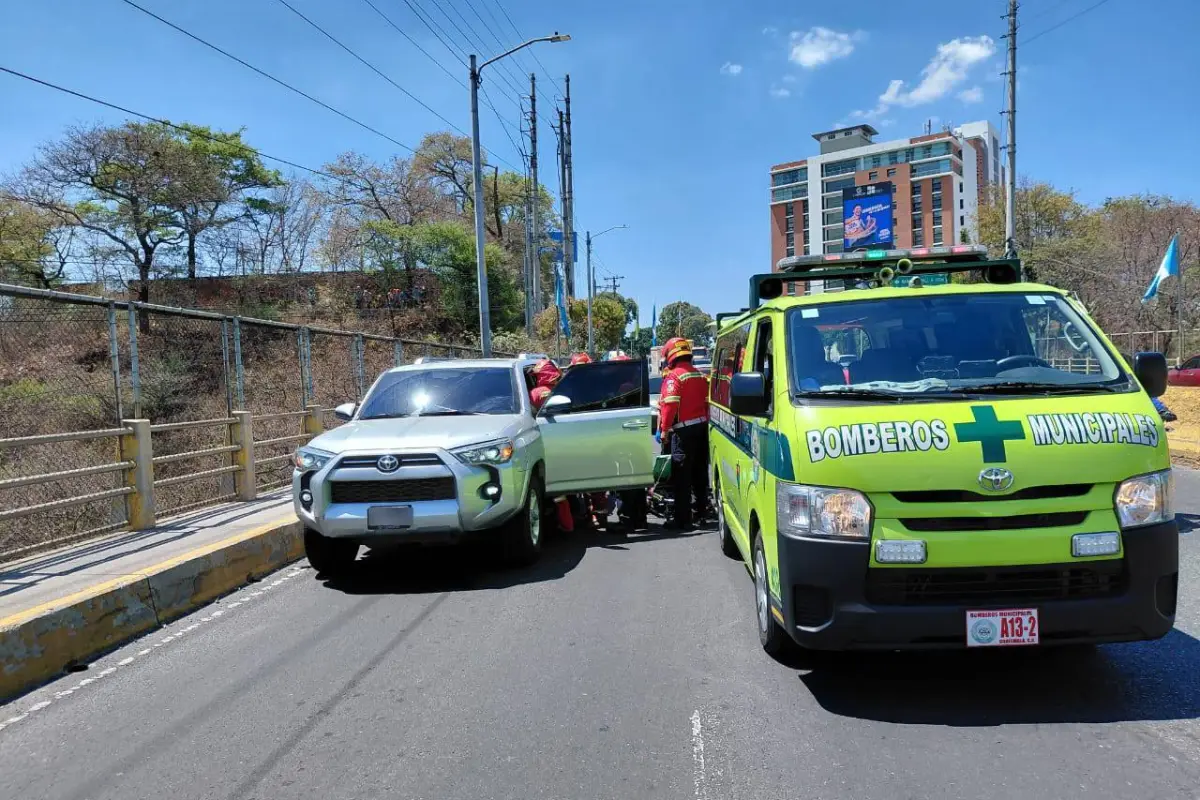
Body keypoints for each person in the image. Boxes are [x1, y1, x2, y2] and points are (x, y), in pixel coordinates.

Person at [658, 337, 711, 531]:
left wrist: (664, 430)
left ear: (670, 356)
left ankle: (683, 520)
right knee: (699, 473)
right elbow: (706, 404)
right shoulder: (698, 375)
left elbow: (670, 406)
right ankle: (702, 513)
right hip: (701, 428)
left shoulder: (674, 377)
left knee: (682, 476)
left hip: (683, 431)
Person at [529, 359, 575, 533]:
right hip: (564, 442)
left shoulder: (537, 392)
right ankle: (570, 521)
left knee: (555, 491)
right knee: (563, 491)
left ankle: (565, 525)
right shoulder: (562, 390)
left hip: (544, 445)